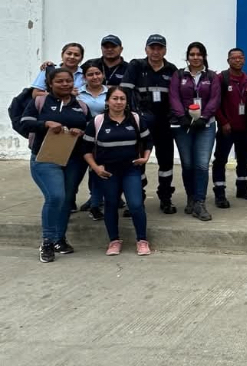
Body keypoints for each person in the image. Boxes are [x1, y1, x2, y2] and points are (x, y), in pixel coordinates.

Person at [19, 68, 89, 263]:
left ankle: (60, 239)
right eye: (59, 81)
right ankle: (47, 242)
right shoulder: (40, 102)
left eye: (68, 80)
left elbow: (90, 126)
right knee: (55, 196)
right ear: (50, 84)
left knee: (67, 199)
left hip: (73, 160)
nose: (65, 84)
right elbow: (25, 122)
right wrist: (46, 124)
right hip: (45, 158)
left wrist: (81, 132)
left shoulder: (81, 105)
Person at [81, 87, 153, 256]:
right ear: (107, 101)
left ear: (127, 102)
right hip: (108, 172)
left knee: (136, 204)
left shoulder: (135, 119)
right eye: (115, 98)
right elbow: (85, 149)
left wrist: (145, 158)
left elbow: (148, 141)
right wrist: (96, 167)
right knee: (111, 204)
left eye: (122, 99)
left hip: (131, 170)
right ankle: (114, 241)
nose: (119, 102)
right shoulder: (98, 121)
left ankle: (142, 240)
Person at [121, 35, 179, 214]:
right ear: (146, 49)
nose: (156, 52)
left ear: (165, 50)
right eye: (152, 48)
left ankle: (165, 198)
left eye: (159, 48)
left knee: (166, 162)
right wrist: (134, 117)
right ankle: (137, 199)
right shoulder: (136, 66)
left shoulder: (171, 70)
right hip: (141, 123)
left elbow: (176, 97)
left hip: (164, 124)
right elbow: (125, 92)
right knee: (138, 162)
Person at [169, 42, 221, 222]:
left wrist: (204, 118)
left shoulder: (212, 76)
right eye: (192, 54)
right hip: (183, 126)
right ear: (187, 57)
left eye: (199, 54)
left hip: (205, 126)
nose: (195, 57)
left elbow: (215, 98)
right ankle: (191, 198)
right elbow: (173, 96)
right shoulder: (178, 75)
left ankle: (200, 202)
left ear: (204, 56)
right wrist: (181, 116)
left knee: (201, 165)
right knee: (188, 164)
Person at [212, 48, 247, 208]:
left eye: (240, 58)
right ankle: (220, 193)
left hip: (244, 128)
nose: (237, 60)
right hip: (227, 128)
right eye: (234, 58)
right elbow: (215, 103)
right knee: (220, 160)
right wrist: (223, 122)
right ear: (228, 60)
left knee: (244, 159)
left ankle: (242, 189)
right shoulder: (221, 78)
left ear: (244, 60)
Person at [77, 60, 108, 220]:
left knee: (99, 170)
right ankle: (93, 201)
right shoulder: (77, 93)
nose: (95, 77)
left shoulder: (111, 92)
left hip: (106, 138)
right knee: (89, 170)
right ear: (84, 77)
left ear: (103, 74)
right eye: (90, 74)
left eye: (98, 73)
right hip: (83, 137)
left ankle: (96, 203)